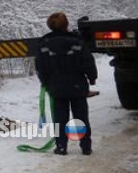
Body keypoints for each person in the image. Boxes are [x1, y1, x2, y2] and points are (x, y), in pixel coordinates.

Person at [35, 12, 98, 155]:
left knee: (60, 118)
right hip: (77, 85)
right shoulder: (76, 41)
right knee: (81, 117)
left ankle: (61, 146)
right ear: (66, 24)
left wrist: (44, 82)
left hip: (56, 87)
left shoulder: (44, 43)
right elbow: (88, 61)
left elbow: (40, 66)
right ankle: (86, 146)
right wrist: (92, 77)